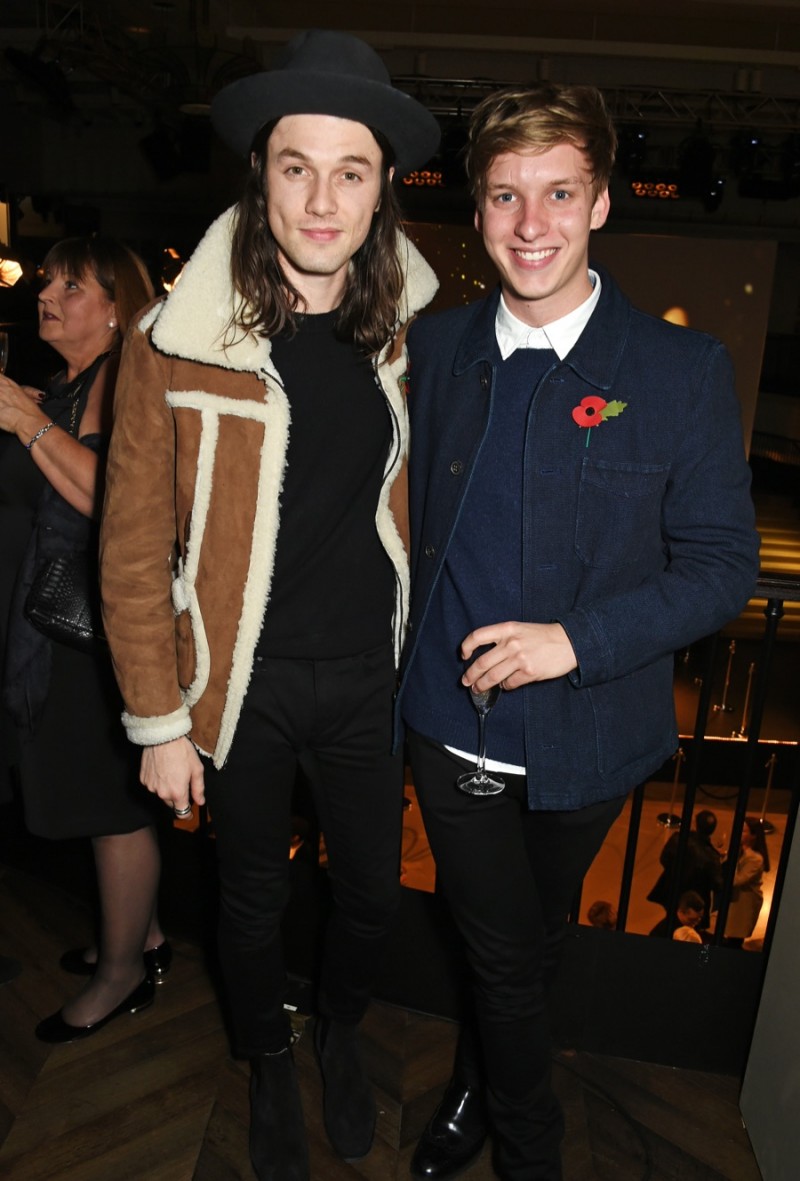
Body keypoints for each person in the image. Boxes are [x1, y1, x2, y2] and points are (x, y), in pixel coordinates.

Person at [396, 82, 760, 1181]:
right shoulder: (435, 348)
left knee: (531, 936)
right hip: (450, 721)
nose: (528, 223)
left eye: (557, 192)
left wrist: (574, 639)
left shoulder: (676, 370)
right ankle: (529, 1147)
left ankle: (470, 1077)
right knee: (504, 953)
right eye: (504, 194)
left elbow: (719, 567)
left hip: (595, 735)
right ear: (476, 207)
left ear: (599, 202)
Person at [98, 30, 440, 1181]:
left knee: (372, 896)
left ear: (384, 183)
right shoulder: (176, 344)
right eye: (297, 165)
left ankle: (340, 1025)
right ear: (261, 172)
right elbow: (132, 545)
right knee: (244, 904)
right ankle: (265, 1056)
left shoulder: (410, 332)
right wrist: (156, 720)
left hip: (363, 677)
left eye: (351, 169)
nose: (321, 197)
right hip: (230, 683)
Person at [0, 235, 169, 1043]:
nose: (49, 296)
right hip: (52, 629)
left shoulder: (124, 375)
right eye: (47, 283)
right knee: (103, 799)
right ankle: (146, 935)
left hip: (91, 639)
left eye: (72, 286)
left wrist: (25, 420)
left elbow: (118, 502)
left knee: (113, 809)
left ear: (115, 309)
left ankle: (122, 974)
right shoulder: (71, 382)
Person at [647, 807, 723, 928]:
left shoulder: (679, 838)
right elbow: (717, 884)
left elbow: (664, 859)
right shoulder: (711, 856)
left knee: (671, 922)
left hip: (673, 890)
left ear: (695, 823)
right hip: (695, 900)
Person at [724, 816, 769, 947]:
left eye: (744, 831)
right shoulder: (740, 850)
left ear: (753, 835)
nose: (739, 833)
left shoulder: (755, 858)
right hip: (736, 901)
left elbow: (738, 880)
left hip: (744, 904)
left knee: (735, 940)